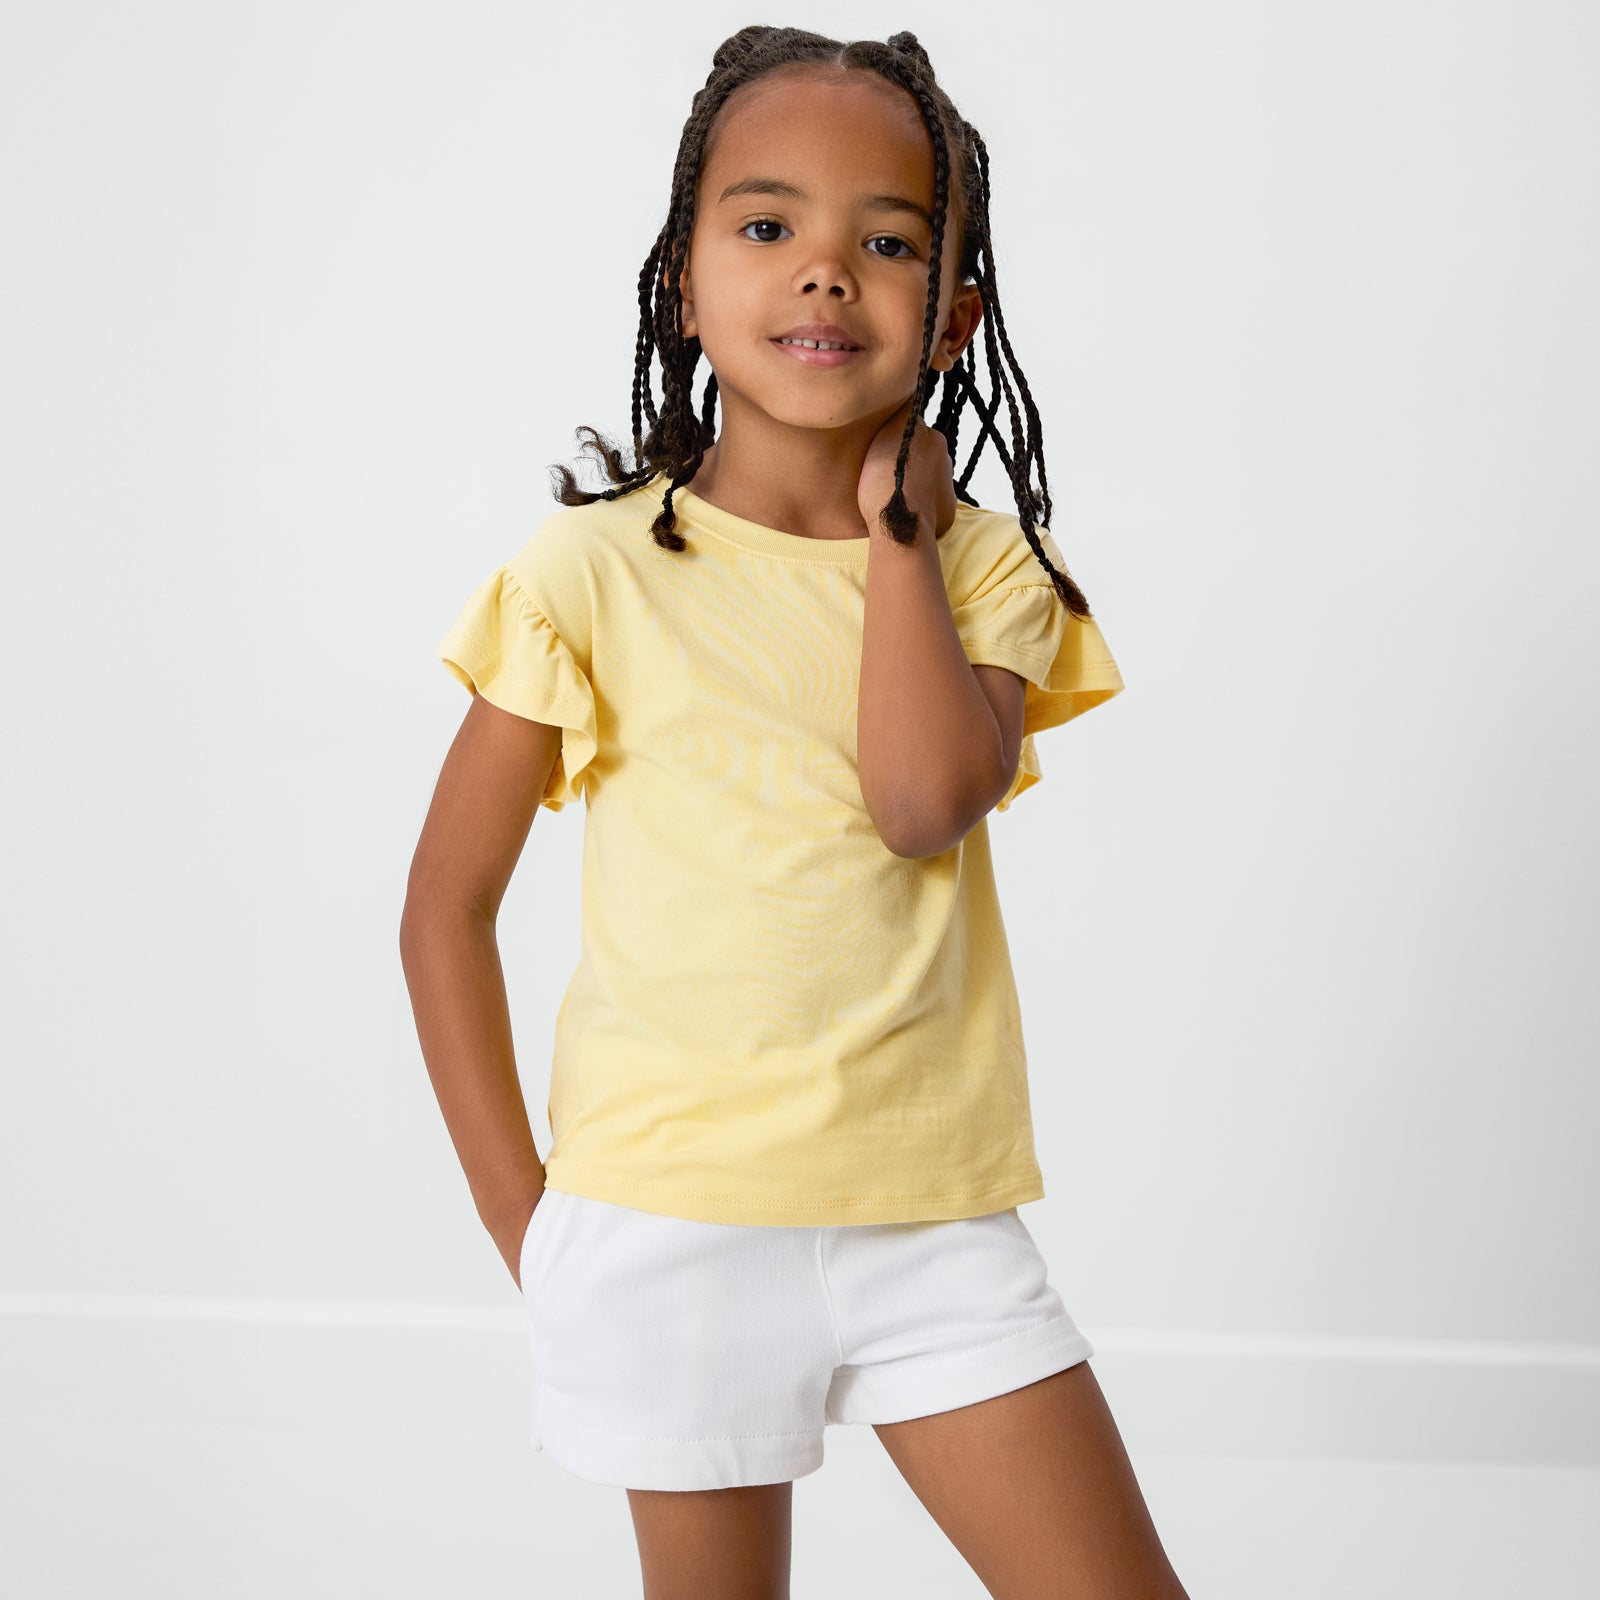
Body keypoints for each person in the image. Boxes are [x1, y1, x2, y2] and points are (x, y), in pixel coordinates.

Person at [401, 26, 1190, 1600]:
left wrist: (901, 532)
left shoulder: (984, 578)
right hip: (666, 1230)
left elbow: (919, 803)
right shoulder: (591, 579)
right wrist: (526, 1221)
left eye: (887, 242)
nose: (825, 274)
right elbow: (446, 909)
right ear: (685, 281)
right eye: (768, 227)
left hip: (930, 1223)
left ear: (952, 314)